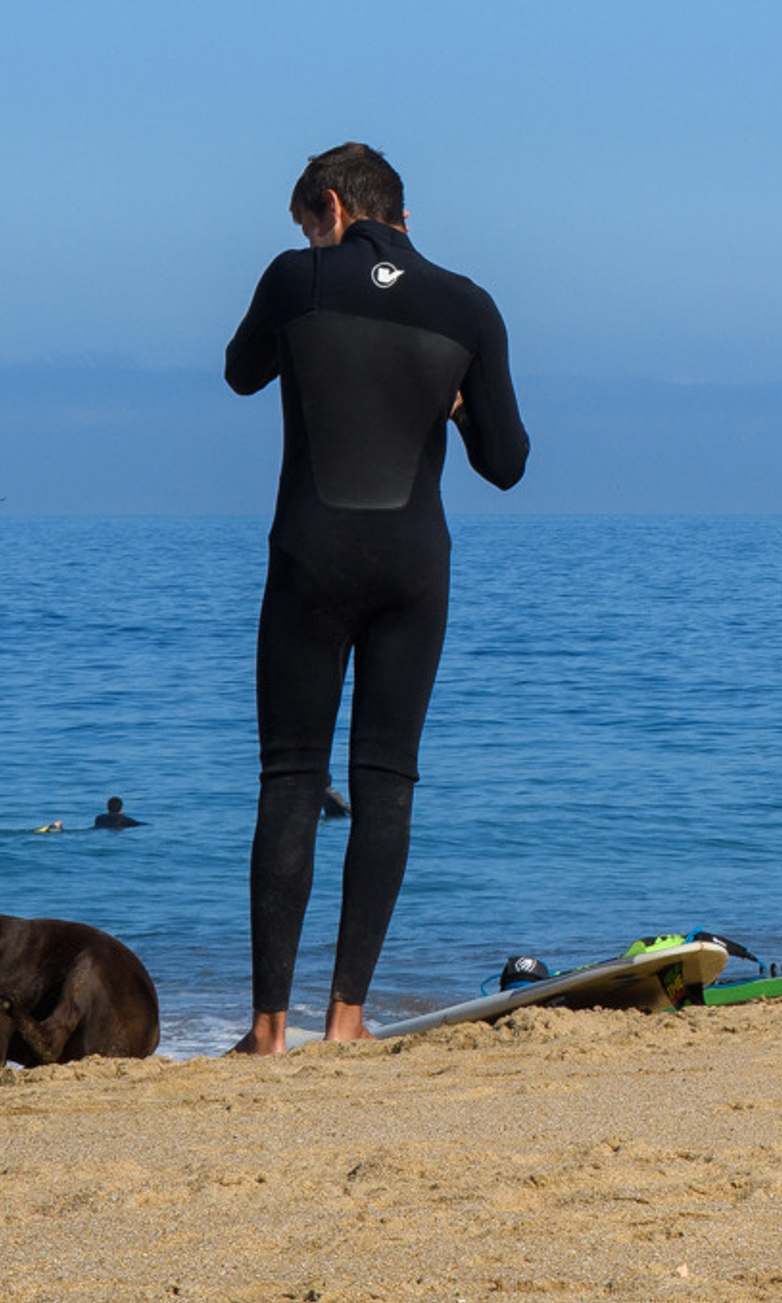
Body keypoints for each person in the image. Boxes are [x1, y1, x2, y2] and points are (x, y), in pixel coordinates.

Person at [223, 142, 528, 1051]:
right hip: (411, 571)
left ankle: (267, 1033)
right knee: (386, 785)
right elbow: (506, 465)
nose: (308, 240)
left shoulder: (296, 278)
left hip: (311, 559)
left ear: (332, 207)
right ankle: (347, 1022)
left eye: (310, 225)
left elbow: (242, 371)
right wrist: (449, 396)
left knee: (290, 781)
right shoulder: (470, 306)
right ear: (402, 212)